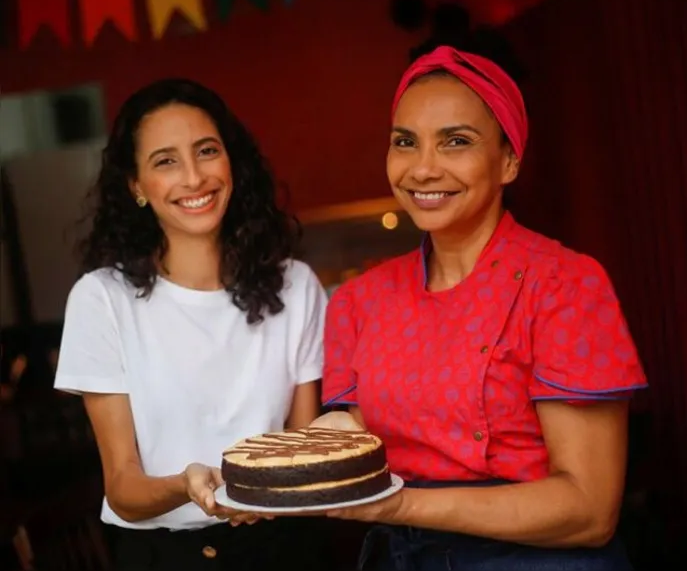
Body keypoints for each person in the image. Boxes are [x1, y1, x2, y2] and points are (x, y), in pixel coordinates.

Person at [316, 46, 648, 570]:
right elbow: (349, 433)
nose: (423, 168)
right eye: (406, 142)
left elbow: (589, 509)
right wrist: (245, 478)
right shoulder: (359, 300)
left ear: (509, 160)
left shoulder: (564, 285)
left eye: (456, 142)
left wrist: (404, 504)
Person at [53, 79, 329, 570]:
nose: (194, 177)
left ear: (232, 164)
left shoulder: (297, 286)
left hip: (287, 548)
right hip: (166, 558)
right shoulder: (102, 300)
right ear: (135, 185)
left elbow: (303, 448)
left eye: (207, 151)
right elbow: (123, 490)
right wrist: (188, 485)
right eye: (165, 161)